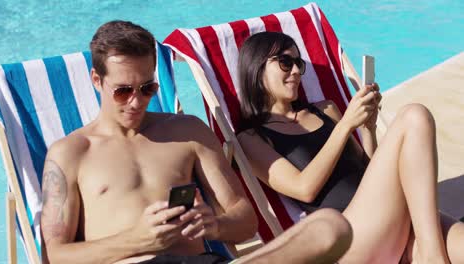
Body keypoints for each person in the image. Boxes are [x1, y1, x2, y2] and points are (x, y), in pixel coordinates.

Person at [40, 21, 353, 264]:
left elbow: (245, 220)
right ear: (97, 80)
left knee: (330, 227)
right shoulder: (71, 152)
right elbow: (55, 255)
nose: (136, 102)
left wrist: (213, 225)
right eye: (123, 91)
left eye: (147, 88)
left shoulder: (188, 131)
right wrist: (138, 240)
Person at [236, 31, 464, 264]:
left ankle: (427, 252)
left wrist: (368, 129)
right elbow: (304, 188)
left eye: (298, 63)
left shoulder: (325, 110)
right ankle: (432, 257)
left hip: (390, 221)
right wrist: (344, 126)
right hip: (349, 239)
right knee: (414, 116)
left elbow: (369, 171)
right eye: (285, 62)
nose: (295, 71)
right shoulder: (251, 138)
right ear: (257, 68)